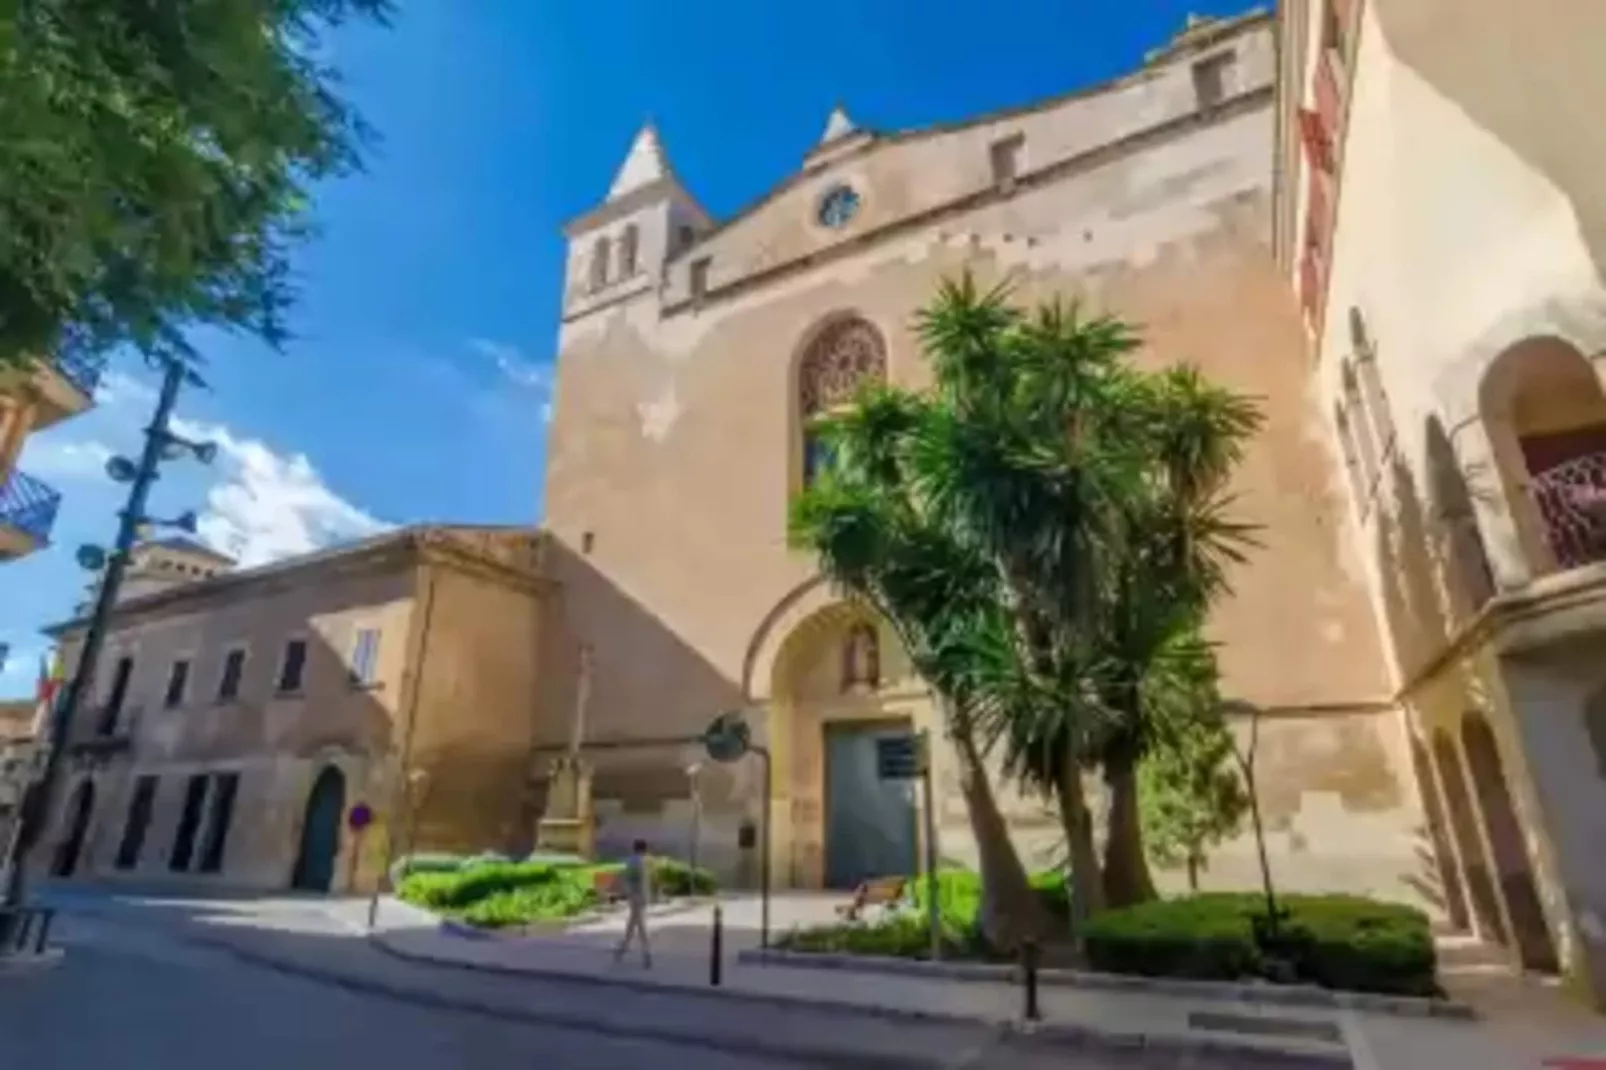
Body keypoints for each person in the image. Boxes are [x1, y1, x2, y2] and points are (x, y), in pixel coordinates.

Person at [613, 838, 653, 968]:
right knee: (638, 926)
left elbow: (627, 880)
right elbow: (643, 882)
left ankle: (624, 949)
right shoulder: (644, 862)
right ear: (644, 849)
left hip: (635, 897)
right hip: (641, 898)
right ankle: (643, 953)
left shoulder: (632, 861)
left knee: (635, 925)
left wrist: (623, 894)